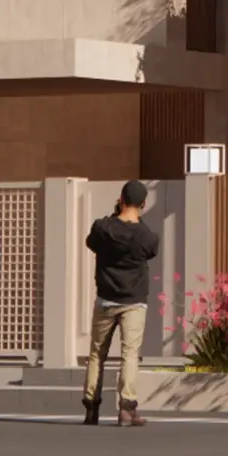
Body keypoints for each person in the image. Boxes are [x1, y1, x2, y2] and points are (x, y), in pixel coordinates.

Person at [82, 180, 161, 427]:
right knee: (129, 354)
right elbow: (150, 250)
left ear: (121, 199)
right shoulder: (147, 236)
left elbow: (90, 243)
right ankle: (127, 408)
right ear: (143, 204)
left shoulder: (102, 228)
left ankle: (91, 406)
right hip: (134, 302)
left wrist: (116, 214)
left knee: (97, 353)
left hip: (106, 298)